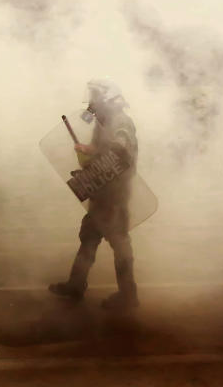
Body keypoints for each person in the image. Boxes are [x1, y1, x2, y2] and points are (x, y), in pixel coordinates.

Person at [49, 78, 139, 310]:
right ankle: (75, 285)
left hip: (115, 195)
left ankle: (128, 296)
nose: (91, 102)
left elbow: (120, 150)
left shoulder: (121, 121)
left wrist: (93, 151)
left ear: (107, 99)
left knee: (119, 244)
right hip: (103, 191)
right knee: (88, 237)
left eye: (95, 96)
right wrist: (88, 165)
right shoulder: (103, 123)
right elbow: (102, 156)